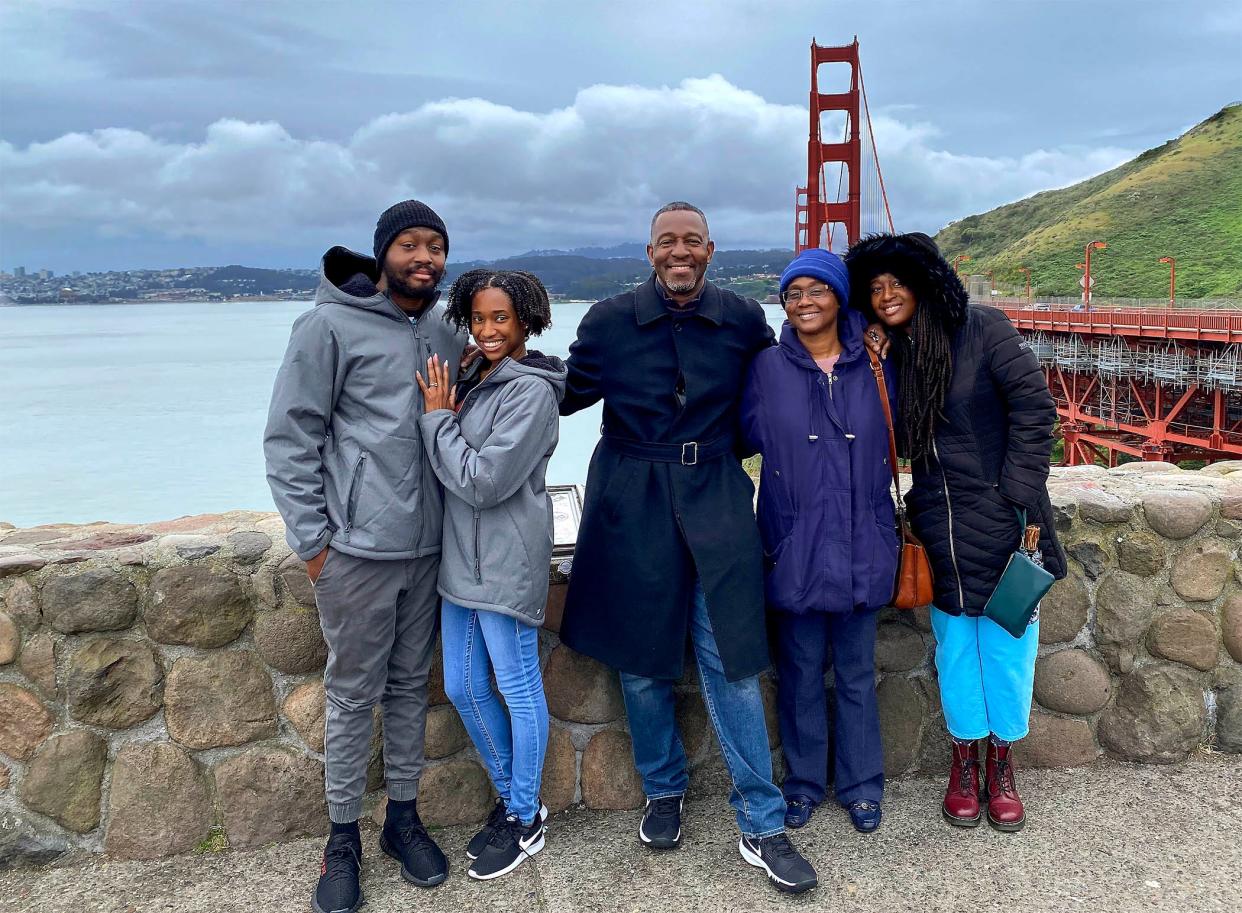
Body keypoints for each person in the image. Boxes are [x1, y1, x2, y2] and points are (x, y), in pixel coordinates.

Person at [557, 202, 818, 894]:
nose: (680, 251)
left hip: (716, 499)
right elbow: (562, 393)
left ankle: (762, 822)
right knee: (643, 667)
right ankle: (663, 791)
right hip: (632, 501)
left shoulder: (742, 320)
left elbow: (783, 385)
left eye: (692, 241)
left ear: (710, 249)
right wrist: (483, 372)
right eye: (668, 241)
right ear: (650, 251)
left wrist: (859, 353)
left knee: (730, 662)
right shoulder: (608, 321)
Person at [264, 200, 465, 913]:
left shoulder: (444, 326)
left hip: (429, 548)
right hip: (355, 552)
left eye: (435, 246)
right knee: (352, 695)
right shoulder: (325, 325)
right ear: (383, 254)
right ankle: (342, 837)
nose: (425, 258)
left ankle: (402, 820)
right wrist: (316, 546)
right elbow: (291, 439)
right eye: (410, 244)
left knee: (411, 687)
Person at [845, 232, 1066, 833]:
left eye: (897, 282)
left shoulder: (985, 328)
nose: (887, 295)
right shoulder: (895, 352)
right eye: (875, 289)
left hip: (1005, 521)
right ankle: (964, 761)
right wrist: (874, 362)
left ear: (925, 281)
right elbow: (889, 436)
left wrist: (1014, 493)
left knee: (1007, 647)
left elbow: (1035, 409)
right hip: (938, 524)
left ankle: (1003, 762)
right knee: (956, 651)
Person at [739, 248, 896, 835]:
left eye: (817, 290)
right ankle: (802, 786)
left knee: (856, 672)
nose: (803, 301)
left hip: (863, 541)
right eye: (792, 292)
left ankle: (861, 787)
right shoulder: (764, 369)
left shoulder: (879, 363)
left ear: (840, 298)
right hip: (795, 542)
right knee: (800, 672)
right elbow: (741, 438)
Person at [416, 269, 566, 881]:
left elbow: (483, 481)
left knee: (517, 685)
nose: (487, 330)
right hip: (460, 561)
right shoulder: (478, 379)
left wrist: (436, 421)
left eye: (500, 318)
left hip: (505, 560)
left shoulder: (529, 393)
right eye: (477, 319)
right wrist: (448, 416)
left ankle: (525, 814)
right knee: (462, 686)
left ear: (526, 319)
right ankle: (515, 801)